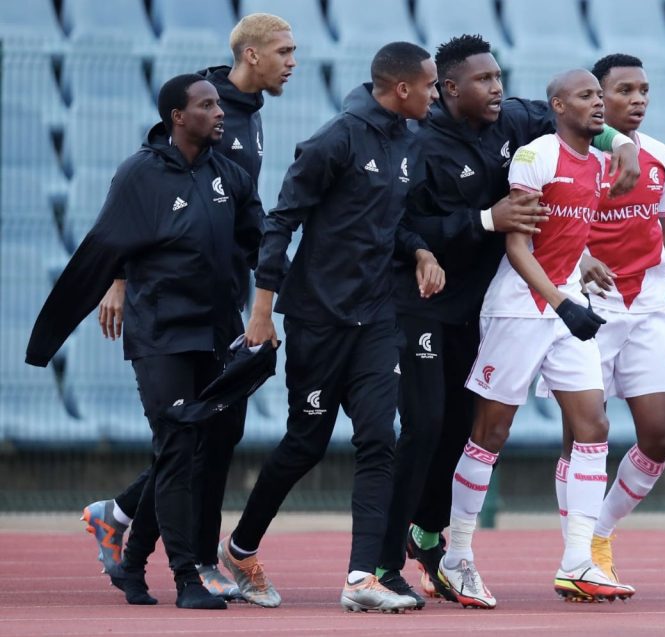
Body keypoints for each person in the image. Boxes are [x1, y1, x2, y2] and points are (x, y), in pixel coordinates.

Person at [384, 34, 641, 604]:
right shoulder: (509, 152)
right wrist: (484, 223)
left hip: (550, 299)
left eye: (500, 78)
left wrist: (622, 143)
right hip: (478, 302)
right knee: (465, 430)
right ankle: (437, 552)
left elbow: (563, 218)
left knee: (592, 426)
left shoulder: (529, 124)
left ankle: (579, 560)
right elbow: (499, 238)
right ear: (449, 89)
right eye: (484, 81)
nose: (498, 89)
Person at [215, 41, 442, 614]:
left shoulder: (411, 141)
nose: (437, 96)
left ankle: (361, 576)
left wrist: (418, 251)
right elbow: (281, 222)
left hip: (376, 320)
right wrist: (262, 309)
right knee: (304, 444)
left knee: (378, 439)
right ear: (403, 89)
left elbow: (388, 224)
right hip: (318, 320)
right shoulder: (334, 140)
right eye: (433, 87)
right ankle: (239, 550)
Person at [26, 73, 264, 610]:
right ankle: (185, 579)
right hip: (161, 333)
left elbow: (261, 244)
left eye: (219, 104)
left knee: (190, 450)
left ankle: (132, 563)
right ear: (177, 117)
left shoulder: (230, 174)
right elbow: (101, 249)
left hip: (217, 332)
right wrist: (47, 341)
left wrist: (295, 296)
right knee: (180, 445)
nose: (219, 112)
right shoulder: (139, 174)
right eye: (206, 105)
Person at [81, 12, 297, 600]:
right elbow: (152, 177)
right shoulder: (207, 99)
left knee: (214, 436)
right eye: (283, 51)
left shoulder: (251, 117)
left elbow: (248, 220)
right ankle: (191, 563)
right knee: (187, 439)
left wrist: (270, 295)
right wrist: (119, 278)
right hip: (172, 302)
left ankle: (125, 521)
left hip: (220, 300)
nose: (293, 62)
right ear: (252, 56)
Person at [544, 53, 665, 584]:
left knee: (660, 433)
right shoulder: (567, 156)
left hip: (648, 308)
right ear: (594, 96)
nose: (637, 100)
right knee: (583, 435)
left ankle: (599, 532)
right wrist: (580, 258)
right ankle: (579, 557)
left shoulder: (659, 157)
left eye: (644, 91)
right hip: (585, 311)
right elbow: (544, 226)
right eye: (624, 91)